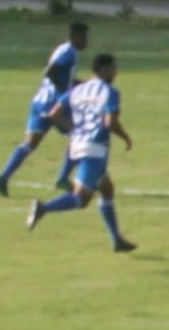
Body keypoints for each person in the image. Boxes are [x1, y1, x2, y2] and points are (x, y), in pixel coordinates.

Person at [26, 52, 136, 252]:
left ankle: (117, 240)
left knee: (107, 188)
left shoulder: (77, 90)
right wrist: (126, 137)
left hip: (76, 146)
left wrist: (74, 130)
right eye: (113, 67)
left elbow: (54, 114)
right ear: (104, 70)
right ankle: (43, 208)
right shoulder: (110, 92)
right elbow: (110, 122)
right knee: (81, 199)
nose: (116, 71)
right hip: (94, 149)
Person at [0, 21, 89, 197]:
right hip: (54, 106)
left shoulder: (63, 49)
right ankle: (62, 178)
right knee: (79, 136)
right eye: (84, 37)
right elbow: (51, 72)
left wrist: (85, 85)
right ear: (76, 37)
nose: (86, 41)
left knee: (30, 144)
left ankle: (3, 177)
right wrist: (63, 94)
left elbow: (63, 77)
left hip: (40, 103)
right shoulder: (69, 53)